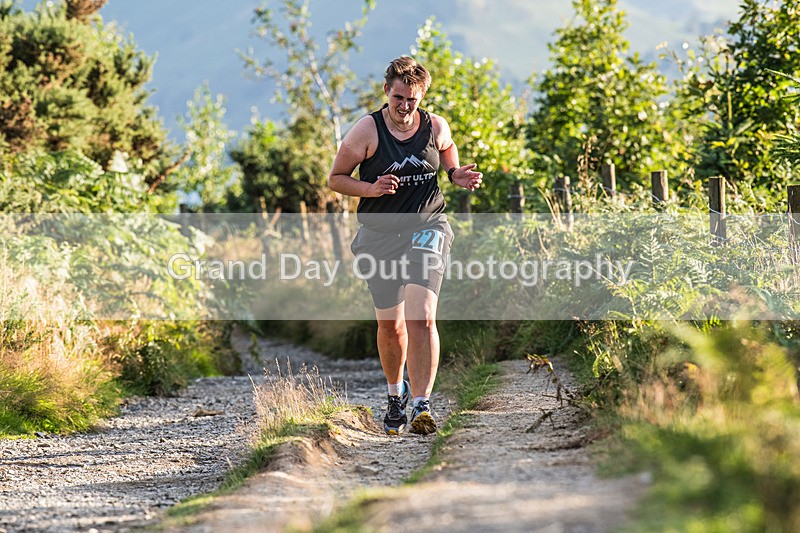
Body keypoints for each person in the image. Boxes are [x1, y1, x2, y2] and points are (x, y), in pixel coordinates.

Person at [328, 56, 482, 435]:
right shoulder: (367, 131)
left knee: (422, 317)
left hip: (428, 227)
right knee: (391, 325)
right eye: (398, 98)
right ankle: (396, 394)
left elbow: (447, 148)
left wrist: (454, 173)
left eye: (412, 100)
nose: (404, 106)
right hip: (379, 236)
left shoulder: (435, 125)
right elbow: (336, 178)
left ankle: (422, 404)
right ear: (387, 91)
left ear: (422, 96)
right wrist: (370, 189)